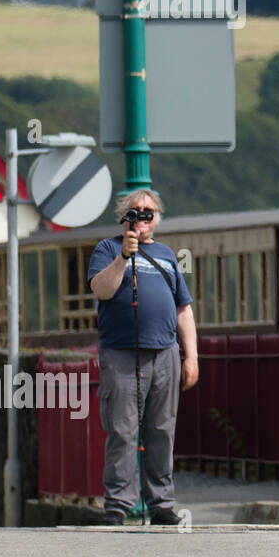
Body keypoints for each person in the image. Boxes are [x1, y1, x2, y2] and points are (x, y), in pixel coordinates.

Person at [87, 190, 198, 525]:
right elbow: (101, 290)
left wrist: (191, 357)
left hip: (165, 354)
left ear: (157, 218)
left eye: (148, 213)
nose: (142, 218)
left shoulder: (166, 255)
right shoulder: (107, 249)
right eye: (135, 212)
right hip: (121, 353)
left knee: (161, 429)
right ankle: (118, 506)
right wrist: (123, 256)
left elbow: (184, 309)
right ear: (124, 217)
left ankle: (161, 503)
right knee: (122, 430)